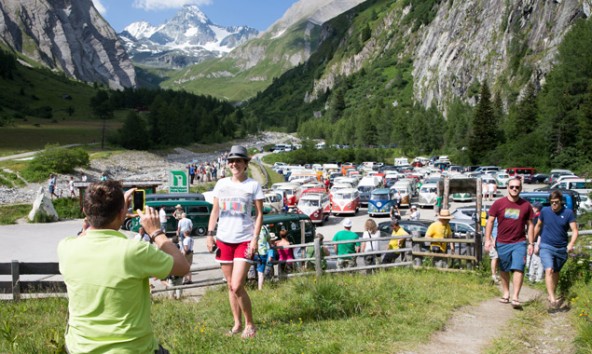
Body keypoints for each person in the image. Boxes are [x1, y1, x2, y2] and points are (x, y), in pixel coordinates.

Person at [57, 180, 189, 353]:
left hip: (79, 348)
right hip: (131, 349)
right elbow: (182, 266)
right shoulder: (134, 251)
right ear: (122, 213)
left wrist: (116, 212)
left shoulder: (66, 247)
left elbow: (88, 234)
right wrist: (155, 231)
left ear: (85, 212)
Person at [206, 145, 264, 339]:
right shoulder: (221, 184)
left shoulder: (253, 186)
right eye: (231, 161)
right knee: (230, 285)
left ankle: (250, 325)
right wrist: (209, 234)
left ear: (245, 164)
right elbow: (215, 211)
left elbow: (259, 214)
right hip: (223, 239)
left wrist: (255, 239)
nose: (234, 164)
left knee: (238, 285)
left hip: (244, 239)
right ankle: (237, 324)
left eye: (238, 160)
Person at [485, 177, 534, 309]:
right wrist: (488, 239)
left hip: (520, 242)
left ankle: (515, 296)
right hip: (502, 242)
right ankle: (506, 293)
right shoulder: (498, 203)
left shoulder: (526, 205)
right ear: (507, 188)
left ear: (520, 189)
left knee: (519, 268)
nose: (514, 189)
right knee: (504, 269)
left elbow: (530, 225)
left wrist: (531, 243)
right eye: (512, 186)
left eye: (517, 187)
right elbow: (489, 221)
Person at [534, 191, 578, 309]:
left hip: (561, 248)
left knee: (555, 272)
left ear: (561, 202)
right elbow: (538, 225)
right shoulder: (544, 211)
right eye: (552, 202)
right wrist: (532, 242)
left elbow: (574, 230)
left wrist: (571, 243)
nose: (554, 205)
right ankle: (552, 298)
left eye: (556, 202)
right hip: (546, 245)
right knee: (549, 269)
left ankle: (552, 293)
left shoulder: (568, 213)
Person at [527, 202, 544, 283]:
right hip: (533, 241)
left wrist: (538, 244)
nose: (531, 209)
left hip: (537, 241)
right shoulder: (534, 217)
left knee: (538, 260)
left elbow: (541, 232)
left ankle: (538, 278)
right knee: (532, 259)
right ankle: (531, 277)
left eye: (533, 207)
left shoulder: (539, 218)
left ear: (536, 208)